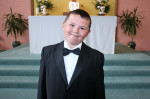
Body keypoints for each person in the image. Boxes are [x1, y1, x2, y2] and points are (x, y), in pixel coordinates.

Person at [37, 9, 105, 99]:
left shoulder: (96, 57)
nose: (76, 30)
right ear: (63, 25)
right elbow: (42, 86)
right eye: (72, 25)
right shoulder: (47, 52)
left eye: (82, 28)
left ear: (88, 32)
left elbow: (99, 91)